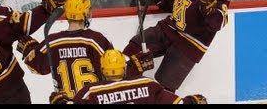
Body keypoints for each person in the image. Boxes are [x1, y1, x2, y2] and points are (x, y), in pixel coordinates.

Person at [123, 0, 230, 93]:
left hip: (189, 44)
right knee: (131, 51)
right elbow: (179, 2)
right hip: (168, 29)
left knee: (164, 88)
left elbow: (217, 24)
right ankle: (124, 95)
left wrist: (207, 5)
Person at [16, 0, 151, 104]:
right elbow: (114, 72)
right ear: (85, 14)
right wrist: (136, 65)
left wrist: (29, 49)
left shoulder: (52, 41)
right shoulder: (95, 39)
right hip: (93, 101)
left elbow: (36, 67)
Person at [71, 49, 207, 104]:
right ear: (124, 68)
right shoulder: (147, 84)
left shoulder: (91, 91)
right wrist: (192, 101)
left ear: (102, 70)